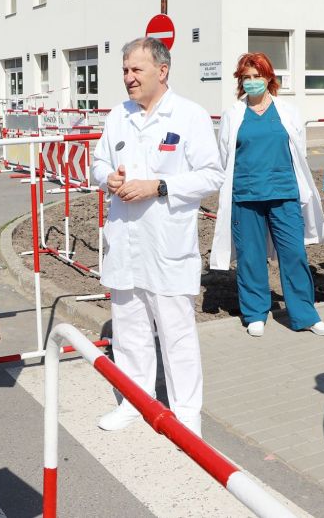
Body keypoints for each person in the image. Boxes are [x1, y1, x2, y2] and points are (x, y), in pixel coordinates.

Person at [90, 37, 224, 436]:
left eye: (137, 70)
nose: (129, 79)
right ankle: (135, 403)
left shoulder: (189, 116)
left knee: (176, 333)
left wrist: (159, 186)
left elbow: (211, 174)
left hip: (166, 245)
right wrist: (107, 178)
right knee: (128, 331)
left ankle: (187, 416)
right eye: (125, 71)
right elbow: (98, 162)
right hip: (125, 242)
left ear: (162, 71)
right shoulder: (118, 116)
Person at [209, 53, 324, 338]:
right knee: (251, 257)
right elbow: (225, 155)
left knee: (294, 255)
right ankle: (255, 312)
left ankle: (304, 315)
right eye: (246, 78)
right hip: (246, 195)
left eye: (257, 76)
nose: (252, 82)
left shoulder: (287, 111)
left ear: (269, 78)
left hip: (284, 193)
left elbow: (297, 152)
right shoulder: (233, 114)